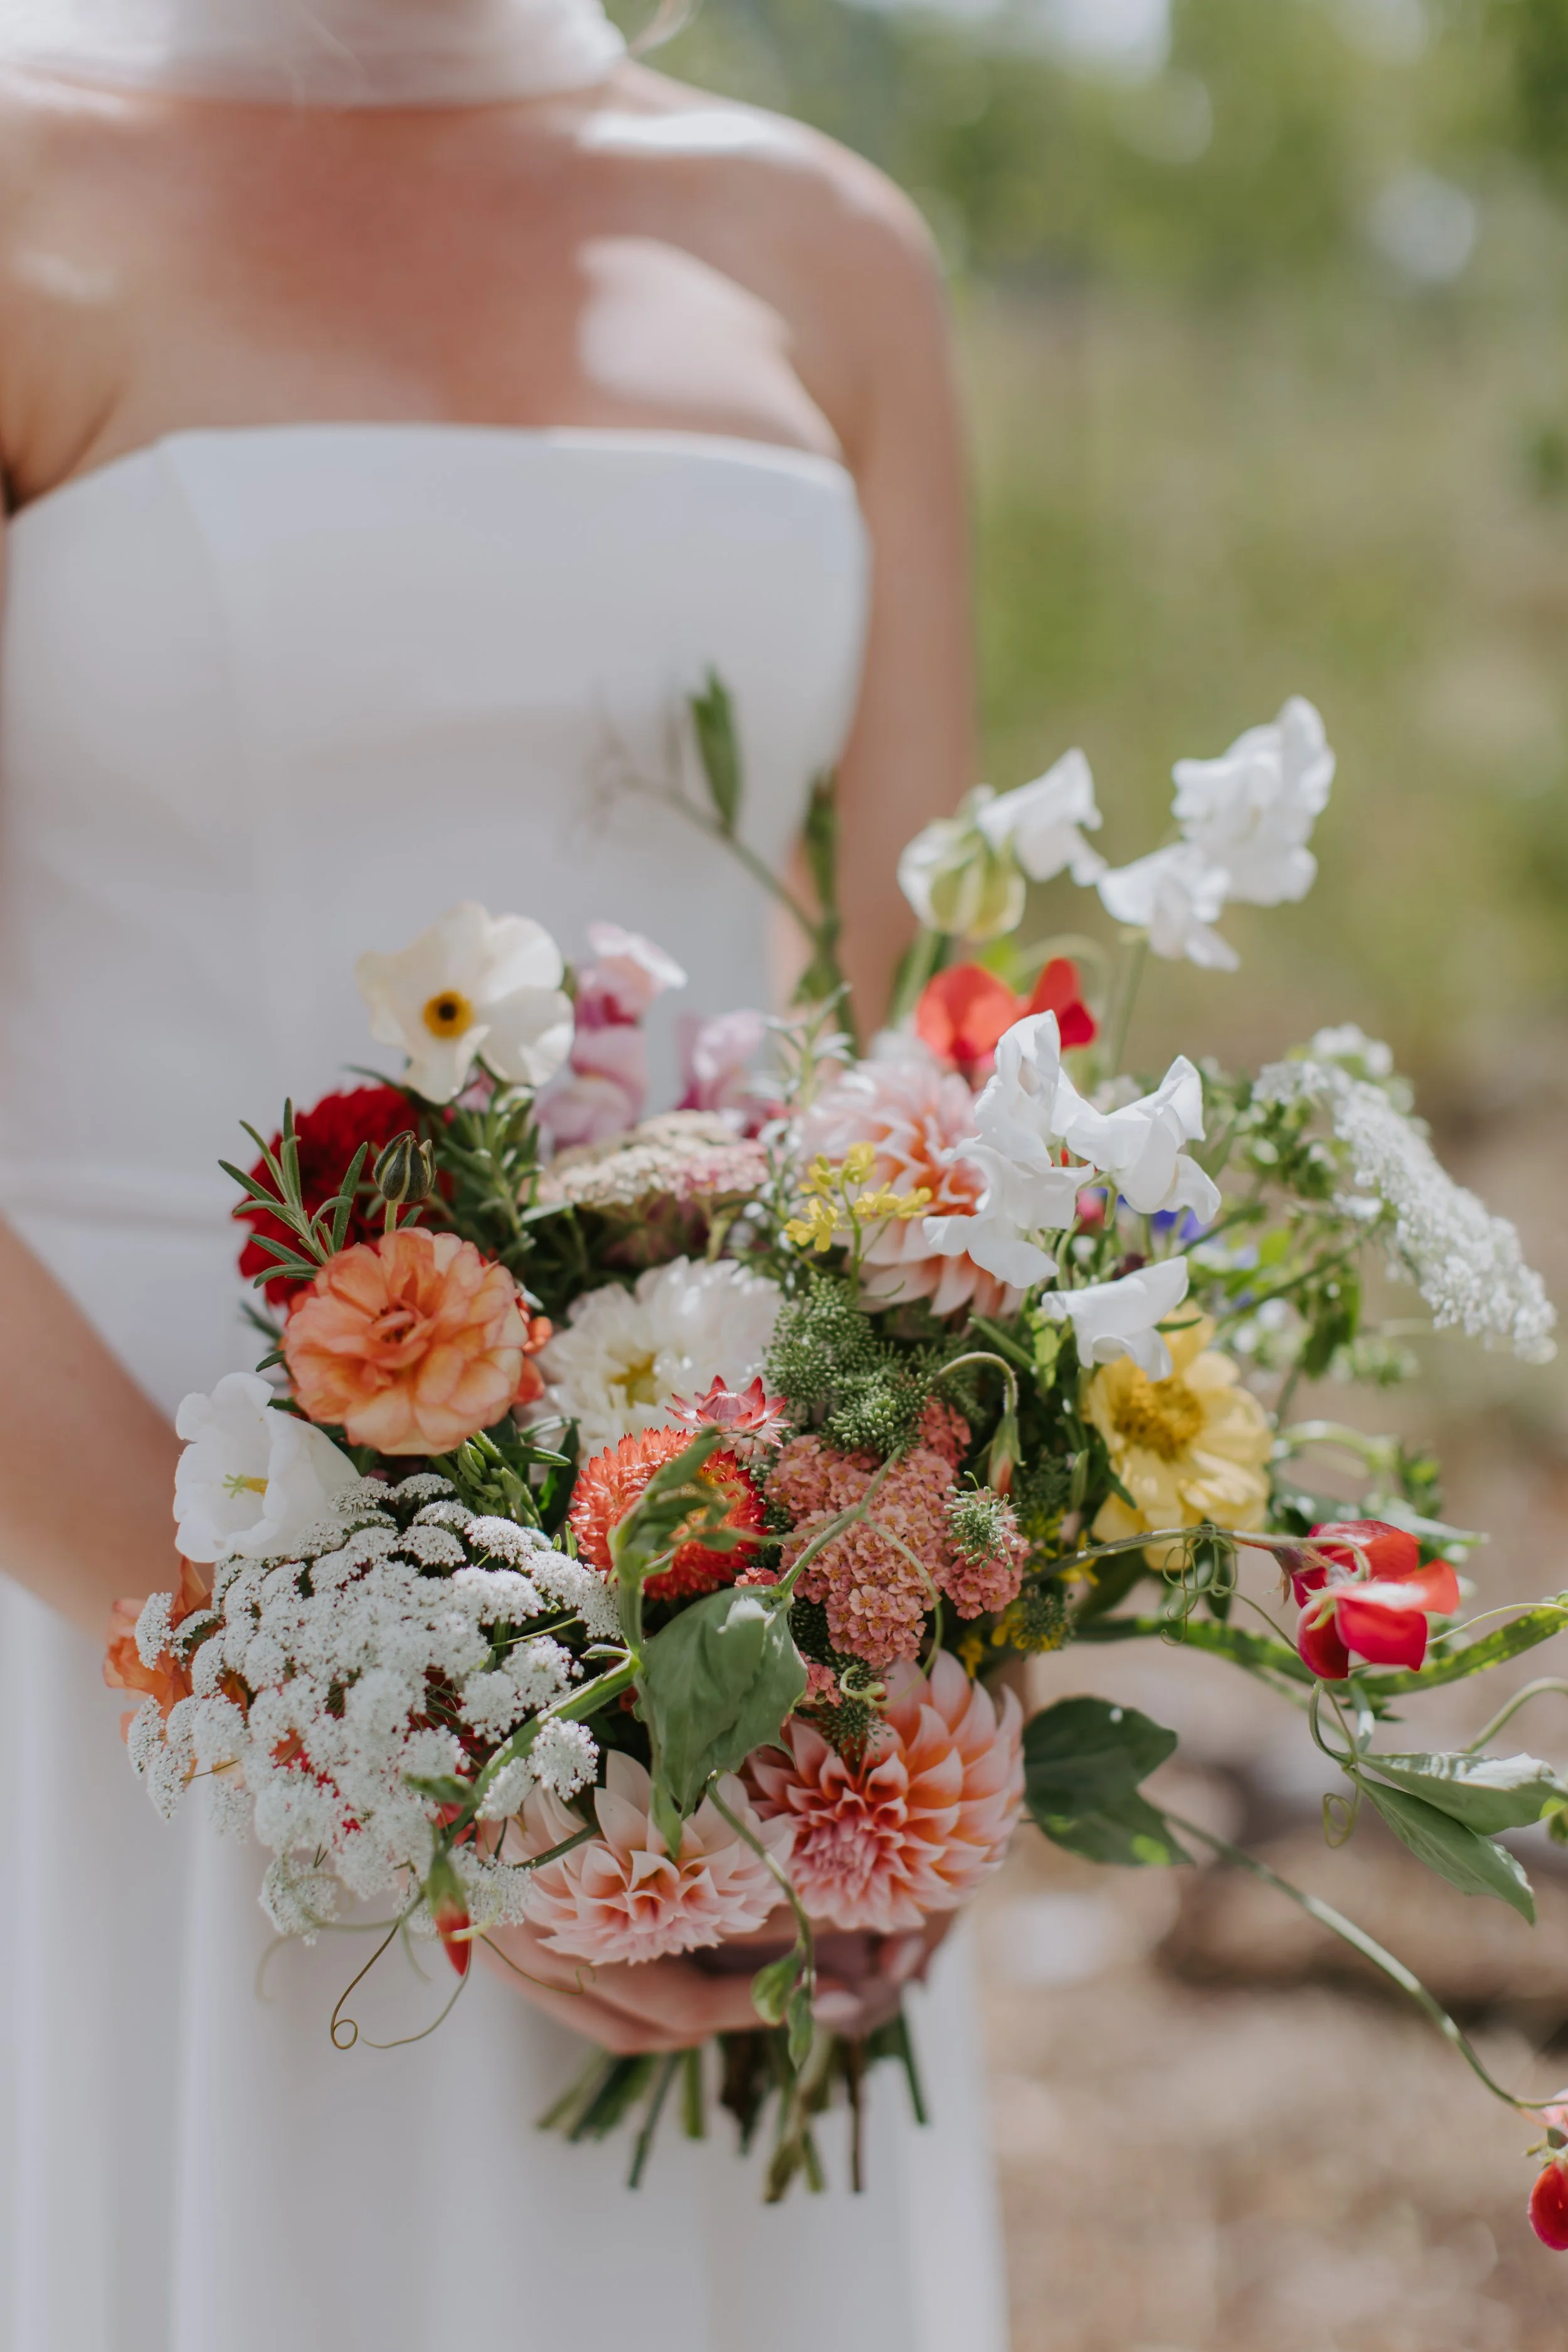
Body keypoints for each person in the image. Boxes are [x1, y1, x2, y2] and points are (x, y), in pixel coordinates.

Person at [0, 3, 1009, 2345]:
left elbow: (921, 1056)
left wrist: (892, 1640)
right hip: (121, 1600)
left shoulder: (828, 251)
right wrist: (373, 1747)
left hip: (719, 1628)